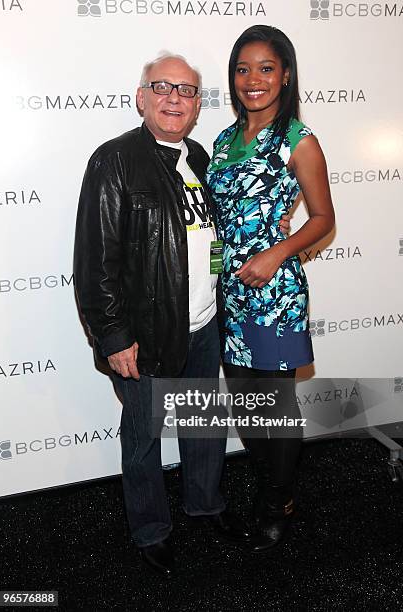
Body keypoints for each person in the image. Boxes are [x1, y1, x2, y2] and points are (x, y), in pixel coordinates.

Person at [73, 53, 252, 577]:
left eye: (188, 91)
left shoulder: (198, 157)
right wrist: (112, 334)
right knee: (144, 434)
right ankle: (150, 530)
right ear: (142, 97)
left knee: (203, 424)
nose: (175, 98)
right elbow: (95, 260)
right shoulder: (115, 160)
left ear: (198, 106)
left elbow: (211, 238)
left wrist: (219, 290)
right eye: (163, 87)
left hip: (202, 322)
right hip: (144, 333)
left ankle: (205, 505)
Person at [206, 25, 335, 552]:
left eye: (265, 68)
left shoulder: (297, 139)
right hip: (228, 293)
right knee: (244, 404)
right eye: (242, 68)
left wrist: (278, 251)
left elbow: (323, 217)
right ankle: (271, 487)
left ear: (285, 75)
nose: (252, 79)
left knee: (275, 408)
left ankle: (278, 502)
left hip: (276, 292)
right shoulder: (222, 139)